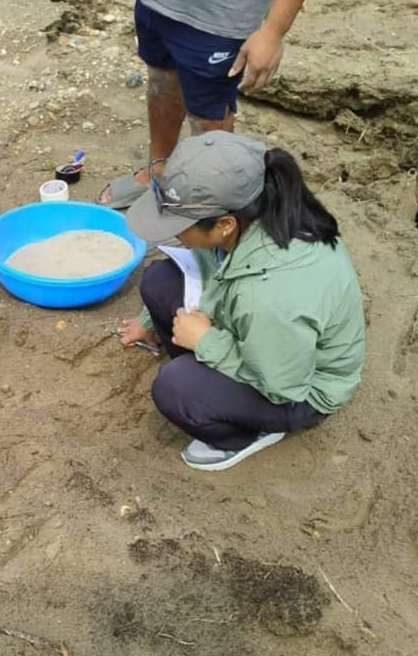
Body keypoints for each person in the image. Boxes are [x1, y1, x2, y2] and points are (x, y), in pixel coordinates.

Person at [117, 131, 366, 471]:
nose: (174, 232)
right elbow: (207, 266)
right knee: (159, 280)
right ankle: (206, 373)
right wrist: (150, 323)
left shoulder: (269, 297)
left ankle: (246, 433)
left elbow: (284, 386)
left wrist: (206, 341)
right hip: (266, 338)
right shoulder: (258, 209)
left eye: (179, 224)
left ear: (224, 224)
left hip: (299, 389)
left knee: (176, 387)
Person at [100, 0, 340, 208]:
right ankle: (159, 170)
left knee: (208, 113)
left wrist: (274, 29)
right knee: (161, 79)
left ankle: (206, 205)